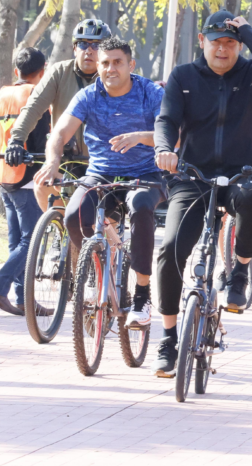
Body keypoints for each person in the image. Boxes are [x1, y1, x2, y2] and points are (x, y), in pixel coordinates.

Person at [154, 10, 252, 376]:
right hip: (193, 177)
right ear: (202, 42)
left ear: (240, 46)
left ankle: (240, 271)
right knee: (170, 250)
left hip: (241, 174)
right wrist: (164, 148)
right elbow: (166, 118)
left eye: (231, 43)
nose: (223, 49)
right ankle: (169, 338)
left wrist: (249, 33)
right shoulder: (183, 77)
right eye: (216, 42)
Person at [33, 36, 166, 329]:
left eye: (117, 62)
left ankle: (142, 296)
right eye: (105, 63)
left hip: (144, 174)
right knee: (73, 215)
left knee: (142, 206)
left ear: (131, 65)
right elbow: (59, 133)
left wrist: (141, 137)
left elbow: (172, 136)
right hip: (100, 174)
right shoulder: (89, 96)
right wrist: (52, 160)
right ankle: (92, 267)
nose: (110, 69)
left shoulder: (150, 93)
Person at [7, 19, 111, 211]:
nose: (89, 50)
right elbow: (33, 108)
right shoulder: (59, 72)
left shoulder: (113, 77)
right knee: (42, 184)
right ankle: (60, 231)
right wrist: (16, 140)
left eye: (96, 45)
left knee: (104, 220)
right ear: (74, 48)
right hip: (64, 158)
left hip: (102, 161)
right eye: (83, 44)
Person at [0, 47, 50, 316]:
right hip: (26, 176)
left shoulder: (3, 94)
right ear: (43, 72)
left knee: (17, 242)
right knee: (31, 240)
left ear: (16, 71)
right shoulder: (35, 95)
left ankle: (24, 299)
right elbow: (40, 136)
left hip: (2, 174)